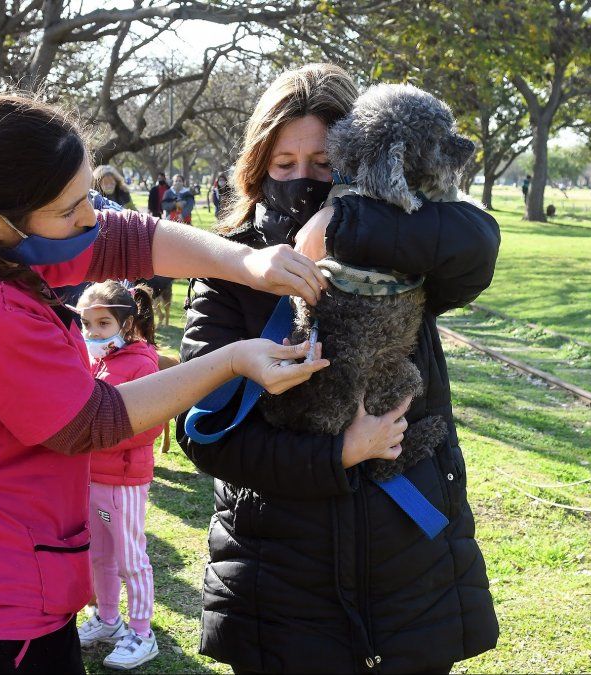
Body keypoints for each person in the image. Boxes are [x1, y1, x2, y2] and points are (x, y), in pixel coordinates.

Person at [0, 91, 332, 674]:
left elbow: (126, 237)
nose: (90, 219)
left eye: (87, 197)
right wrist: (232, 359)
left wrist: (243, 262)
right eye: (70, 210)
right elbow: (91, 421)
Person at [176, 63, 500, 674]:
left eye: (323, 164)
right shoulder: (228, 268)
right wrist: (340, 453)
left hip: (409, 560)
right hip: (280, 574)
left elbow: (478, 245)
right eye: (284, 165)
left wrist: (343, 225)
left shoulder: (404, 241)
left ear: (358, 156)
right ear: (258, 167)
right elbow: (206, 435)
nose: (303, 180)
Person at [70, 281, 163, 670]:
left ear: (125, 324)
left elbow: (148, 425)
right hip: (93, 480)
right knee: (100, 555)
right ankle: (108, 619)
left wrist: (93, 435)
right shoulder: (94, 360)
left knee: (129, 557)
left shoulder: (142, 364)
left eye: (102, 323)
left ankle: (142, 632)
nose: (93, 333)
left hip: (122, 484)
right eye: (87, 324)